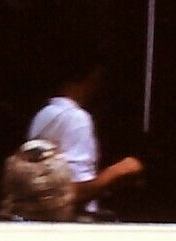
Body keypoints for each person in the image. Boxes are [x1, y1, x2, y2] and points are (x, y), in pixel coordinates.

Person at [25, 56, 144, 217]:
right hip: (71, 225)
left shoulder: (43, 114)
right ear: (93, 78)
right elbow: (70, 194)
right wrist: (116, 172)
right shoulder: (76, 118)